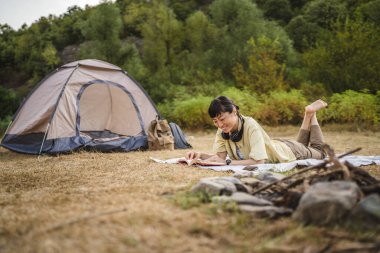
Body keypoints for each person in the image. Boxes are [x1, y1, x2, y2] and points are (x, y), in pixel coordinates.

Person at [186, 96, 328, 166]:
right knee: (302, 145)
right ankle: (308, 114)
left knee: (320, 152)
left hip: (290, 152)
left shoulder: (250, 124)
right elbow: (219, 158)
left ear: (234, 111)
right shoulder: (222, 130)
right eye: (215, 121)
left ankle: (311, 113)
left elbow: (259, 161)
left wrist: (228, 163)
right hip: (281, 147)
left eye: (222, 119)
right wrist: (199, 155)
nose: (220, 125)